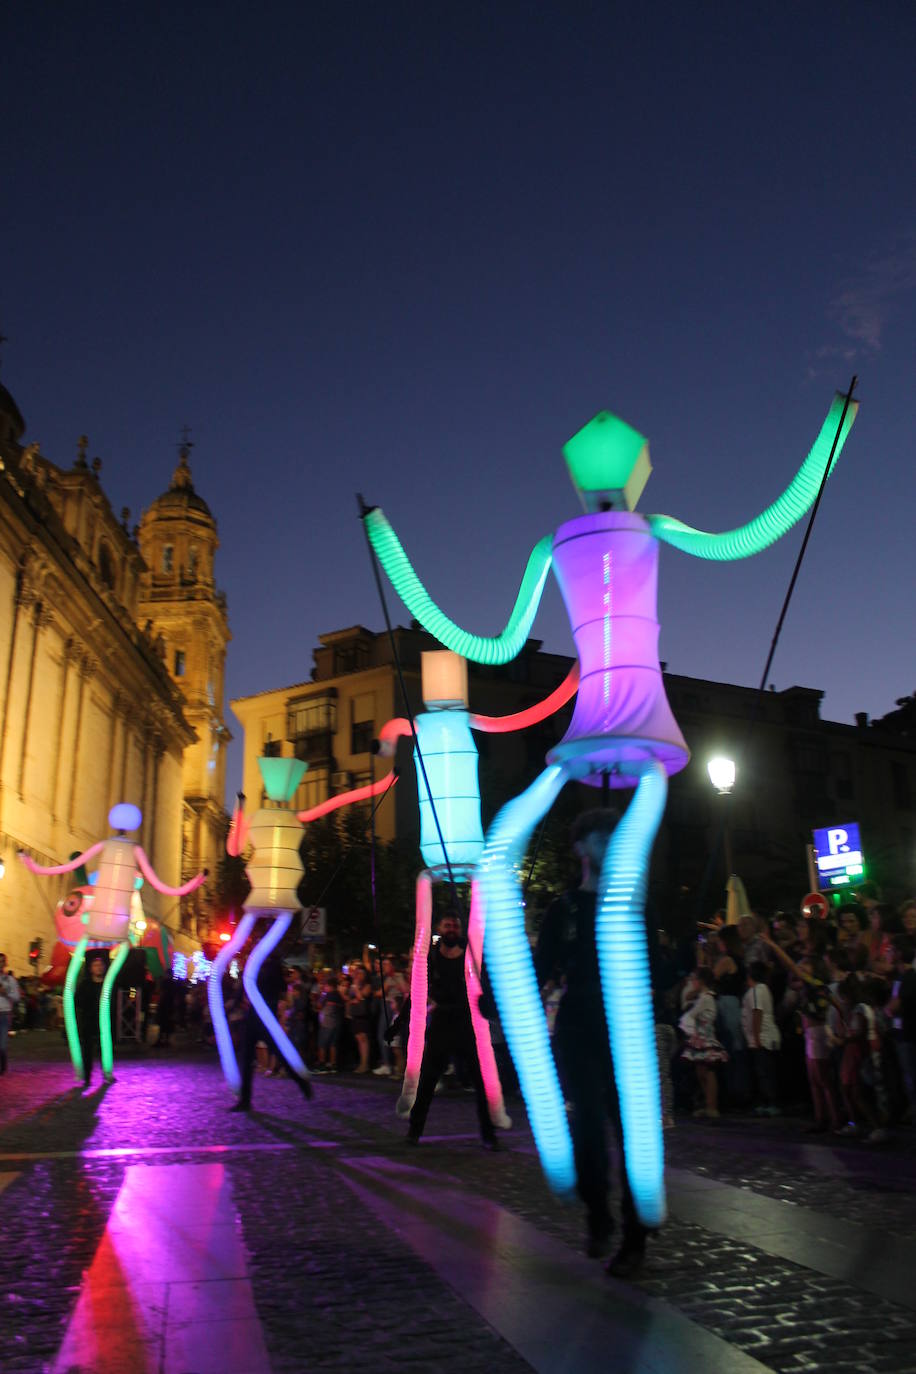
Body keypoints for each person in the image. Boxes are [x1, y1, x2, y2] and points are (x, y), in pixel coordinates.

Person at [533, 809, 651, 1277]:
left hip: (625, 1026)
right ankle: (598, 1212)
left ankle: (636, 1236)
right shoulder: (564, 910)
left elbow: (655, 965)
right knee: (585, 1129)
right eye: (602, 838)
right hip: (580, 1027)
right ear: (581, 849)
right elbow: (542, 969)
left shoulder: (631, 903)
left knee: (632, 1134)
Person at [406, 913, 499, 1152]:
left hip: (466, 1021)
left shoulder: (471, 955)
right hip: (441, 1021)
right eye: (447, 925)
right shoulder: (431, 956)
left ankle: (489, 1135)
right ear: (440, 928)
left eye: (455, 925)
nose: (451, 929)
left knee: (481, 1080)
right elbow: (418, 985)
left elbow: (485, 979)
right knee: (427, 1080)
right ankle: (414, 1131)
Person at [680, 967, 727, 1119]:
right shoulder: (701, 997)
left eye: (694, 979)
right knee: (701, 1072)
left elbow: (691, 1015)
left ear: (700, 981)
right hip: (699, 1038)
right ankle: (707, 1104)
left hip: (706, 1037)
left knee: (708, 1072)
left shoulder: (706, 997)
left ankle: (712, 1106)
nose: (691, 982)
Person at [742, 961, 781, 1115]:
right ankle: (766, 1102)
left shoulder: (758, 990)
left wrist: (757, 1037)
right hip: (763, 1036)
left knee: (765, 1071)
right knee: (764, 1071)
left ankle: (772, 1102)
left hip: (763, 1037)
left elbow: (757, 1012)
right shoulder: (761, 989)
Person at [75, 954, 109, 1088]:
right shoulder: (85, 984)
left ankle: (106, 1074)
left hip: (104, 1022)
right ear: (90, 969)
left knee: (105, 1049)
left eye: (101, 965)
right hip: (89, 1021)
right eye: (96, 965)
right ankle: (87, 1077)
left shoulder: (107, 984)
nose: (99, 968)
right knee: (87, 1050)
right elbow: (77, 1001)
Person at [0, 954, 21, 1074]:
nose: (0, 964)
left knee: (2, 1045)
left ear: (5, 963)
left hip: (4, 1014)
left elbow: (17, 997)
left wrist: (5, 992)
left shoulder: (10, 980)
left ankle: (3, 1065)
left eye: (2, 961)